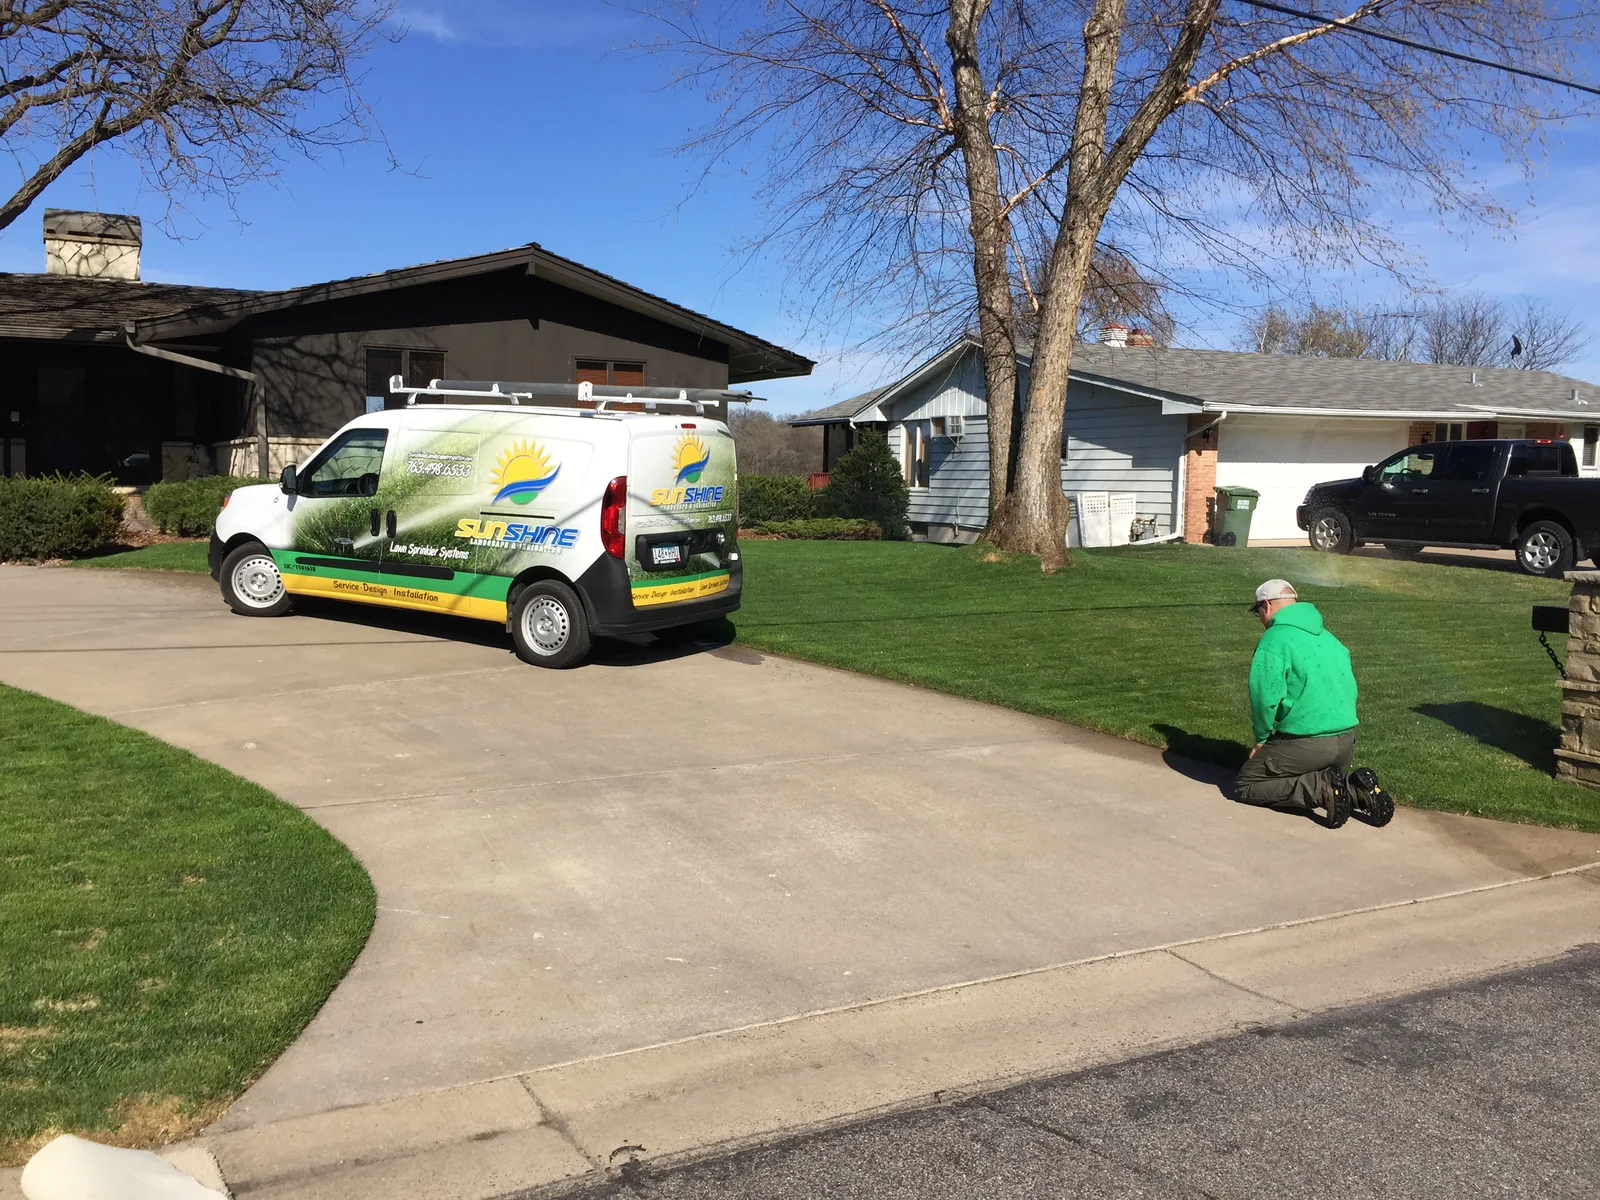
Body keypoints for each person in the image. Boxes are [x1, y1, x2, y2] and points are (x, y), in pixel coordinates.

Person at [1235, 579, 1391, 828]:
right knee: (1309, 773)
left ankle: (1320, 788)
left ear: (1267, 605)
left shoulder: (1275, 639)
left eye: (1258, 612)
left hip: (1309, 745)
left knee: (1247, 784)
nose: (1260, 618)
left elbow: (1264, 697)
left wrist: (1261, 738)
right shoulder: (1328, 637)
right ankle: (1353, 788)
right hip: (1346, 742)